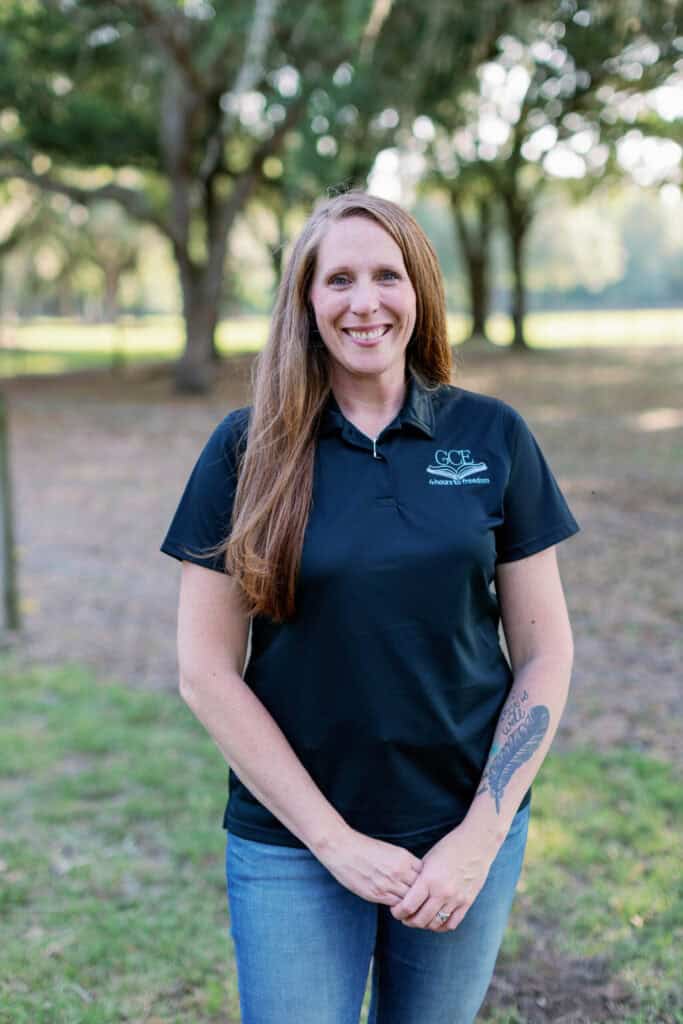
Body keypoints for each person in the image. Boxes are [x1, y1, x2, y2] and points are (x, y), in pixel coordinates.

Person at [160, 191, 579, 1024]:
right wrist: (333, 842)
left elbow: (544, 653)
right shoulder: (245, 451)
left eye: (386, 275)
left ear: (417, 289)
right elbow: (205, 673)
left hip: (463, 834)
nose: (364, 302)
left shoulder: (491, 436)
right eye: (338, 279)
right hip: (295, 843)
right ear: (305, 301)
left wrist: (478, 837)